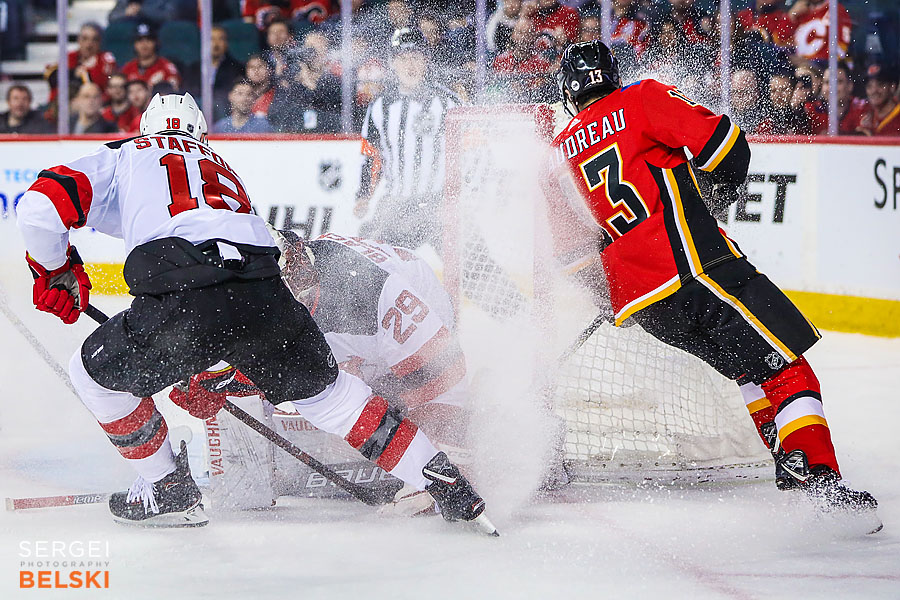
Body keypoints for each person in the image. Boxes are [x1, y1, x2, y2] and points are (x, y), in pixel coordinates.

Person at [15, 92, 494, 533]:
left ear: (145, 130)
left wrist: (55, 269)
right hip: (265, 288)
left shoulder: (128, 154)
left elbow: (39, 207)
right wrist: (222, 367)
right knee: (332, 398)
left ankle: (166, 489)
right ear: (200, 135)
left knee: (92, 375)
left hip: (185, 290)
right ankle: (445, 479)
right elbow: (227, 300)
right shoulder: (219, 166)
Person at [549, 41, 880, 531]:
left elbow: (572, 256)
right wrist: (717, 204)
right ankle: (823, 486)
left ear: (571, 94)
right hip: (697, 271)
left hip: (645, 308)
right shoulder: (640, 98)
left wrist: (617, 290)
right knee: (787, 366)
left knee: (749, 371)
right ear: (611, 75)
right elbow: (728, 144)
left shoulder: (559, 155)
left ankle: (791, 463)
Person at [174, 230, 473, 515]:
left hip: (419, 328)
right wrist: (218, 376)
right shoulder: (279, 283)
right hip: (365, 341)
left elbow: (444, 380)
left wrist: (430, 472)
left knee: (391, 417)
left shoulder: (378, 297)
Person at [354, 28, 460, 251]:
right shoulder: (379, 107)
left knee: (473, 269)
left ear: (426, 61)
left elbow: (469, 151)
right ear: (392, 63)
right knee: (368, 260)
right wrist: (364, 195)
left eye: (416, 58)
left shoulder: (448, 102)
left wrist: (461, 197)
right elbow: (371, 156)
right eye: (403, 58)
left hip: (439, 204)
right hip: (397, 204)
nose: (410, 65)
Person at [183, 25, 245, 123]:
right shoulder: (193, 68)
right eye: (211, 39)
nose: (216, 44)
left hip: (225, 115)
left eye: (220, 39)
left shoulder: (236, 67)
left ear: (226, 43)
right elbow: (189, 91)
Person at [805, 63, 867, 135]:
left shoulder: (862, 109)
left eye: (838, 82)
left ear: (850, 86)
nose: (832, 87)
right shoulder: (810, 110)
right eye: (827, 82)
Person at [120, 23, 181, 91]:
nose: (144, 44)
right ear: (134, 44)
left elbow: (174, 91)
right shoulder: (128, 68)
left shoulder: (167, 67)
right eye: (140, 40)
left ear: (156, 42)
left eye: (149, 39)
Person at [859, 64, 900, 137]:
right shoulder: (865, 112)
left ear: (892, 87)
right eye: (869, 86)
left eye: (880, 85)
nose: (874, 90)